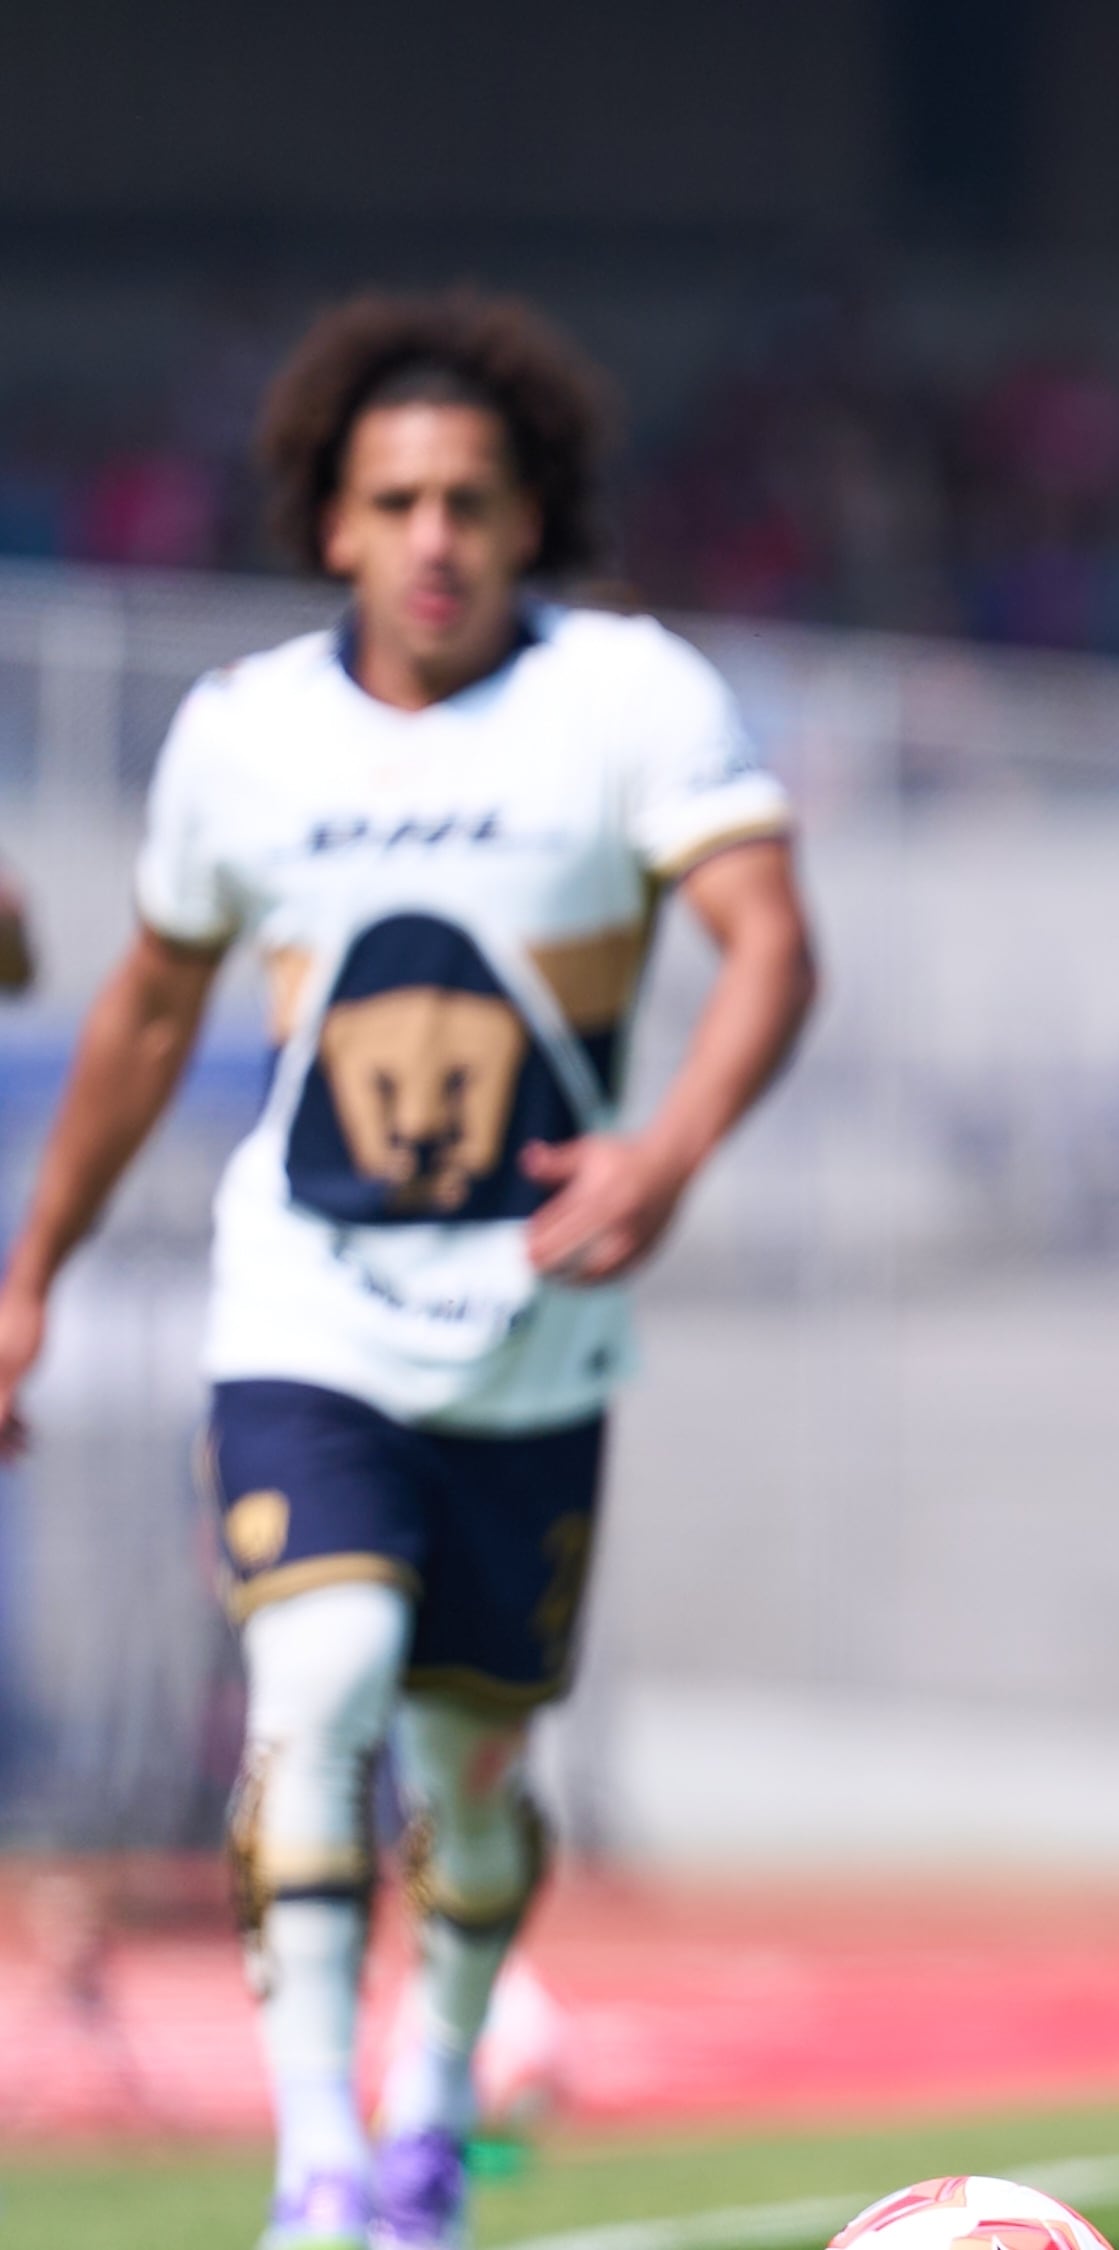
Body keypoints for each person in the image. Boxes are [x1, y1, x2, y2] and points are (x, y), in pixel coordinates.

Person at [0, 293, 817, 2250]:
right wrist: (29, 1273)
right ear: (334, 523)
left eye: (471, 497)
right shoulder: (245, 737)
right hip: (299, 1313)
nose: (435, 536)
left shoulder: (631, 699)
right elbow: (136, 1012)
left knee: (468, 1779)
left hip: (534, 1347)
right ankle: (315, 2172)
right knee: (325, 1674)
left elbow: (770, 942)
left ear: (531, 515)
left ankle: (429, 2122)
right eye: (396, 501)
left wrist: (669, 1150)